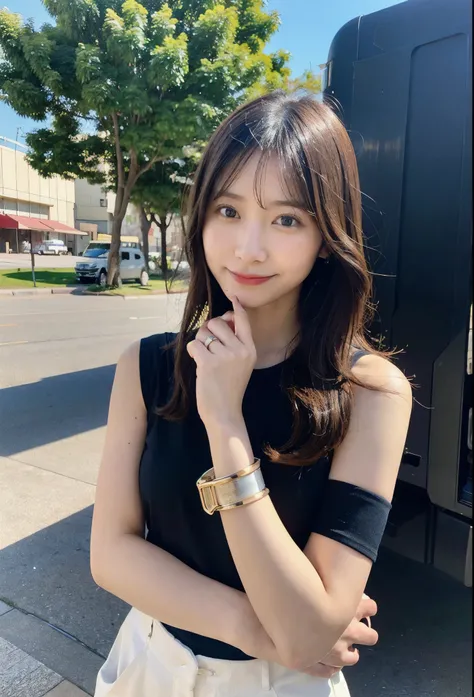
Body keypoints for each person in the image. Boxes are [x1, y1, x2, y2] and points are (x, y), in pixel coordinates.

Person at [90, 90, 412, 697]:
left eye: (287, 219)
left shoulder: (370, 393)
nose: (249, 248)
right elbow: (111, 553)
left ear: (327, 235)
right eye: (229, 210)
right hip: (150, 664)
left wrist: (224, 422)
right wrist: (255, 628)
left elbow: (306, 635)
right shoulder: (146, 366)